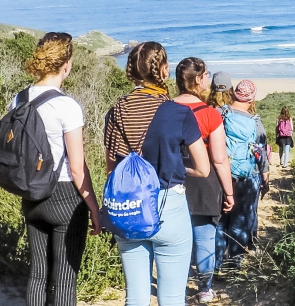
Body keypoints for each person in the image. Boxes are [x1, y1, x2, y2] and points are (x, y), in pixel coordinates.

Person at [104, 42, 213, 306]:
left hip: (128, 206)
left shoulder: (116, 111)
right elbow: (203, 167)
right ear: (164, 71)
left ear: (130, 71)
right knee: (172, 298)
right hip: (169, 205)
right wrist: (174, 164)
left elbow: (112, 168)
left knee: (136, 298)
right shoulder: (179, 113)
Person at [14, 32, 103, 306]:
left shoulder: (18, 99)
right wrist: (94, 208)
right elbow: (77, 168)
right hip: (64, 196)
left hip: (31, 194)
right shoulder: (67, 106)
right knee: (65, 277)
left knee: (38, 275)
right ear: (67, 64)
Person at [173, 59, 234, 303]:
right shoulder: (210, 115)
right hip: (205, 182)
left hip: (174, 177)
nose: (208, 79)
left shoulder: (165, 109)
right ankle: (205, 288)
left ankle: (176, 283)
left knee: (177, 238)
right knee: (205, 238)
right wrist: (229, 193)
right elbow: (219, 159)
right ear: (198, 80)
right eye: (206, 74)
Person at [217, 80, 270, 259]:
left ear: (234, 94)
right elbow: (260, 153)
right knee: (240, 223)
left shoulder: (220, 114)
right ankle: (234, 266)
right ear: (252, 99)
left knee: (220, 222)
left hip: (220, 175)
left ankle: (215, 266)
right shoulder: (255, 122)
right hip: (248, 177)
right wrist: (265, 179)